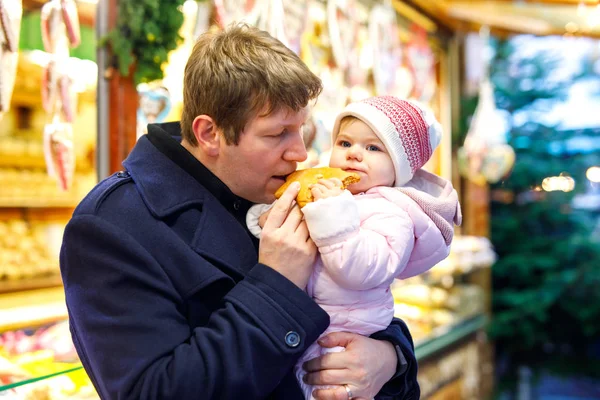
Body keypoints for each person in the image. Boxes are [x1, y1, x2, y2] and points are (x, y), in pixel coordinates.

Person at [59, 24, 420, 400]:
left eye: (303, 131)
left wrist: (390, 358)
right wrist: (277, 282)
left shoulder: (276, 187)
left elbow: (355, 303)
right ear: (210, 134)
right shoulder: (110, 226)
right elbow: (155, 391)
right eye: (277, 134)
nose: (299, 153)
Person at [247, 96, 462, 399]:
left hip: (347, 333)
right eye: (345, 143)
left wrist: (331, 211)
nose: (355, 154)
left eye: (373, 148)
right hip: (312, 324)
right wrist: (267, 218)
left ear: (399, 167)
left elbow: (361, 270)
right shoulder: (333, 192)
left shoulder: (393, 213)